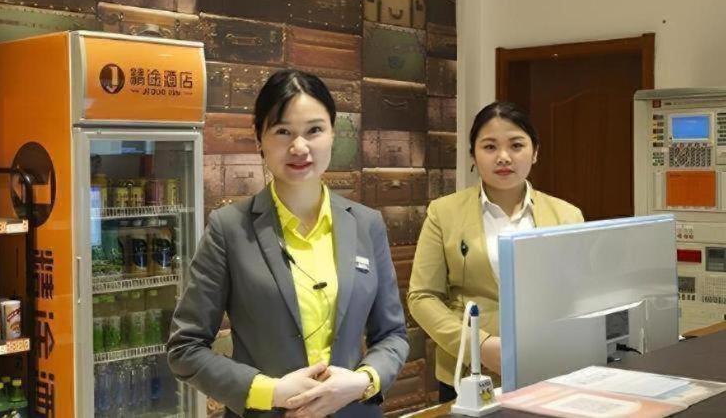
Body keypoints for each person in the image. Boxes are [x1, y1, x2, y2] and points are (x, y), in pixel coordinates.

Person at [167, 69, 409, 417]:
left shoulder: (366, 224)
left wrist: (363, 381)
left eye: (314, 130)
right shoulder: (228, 229)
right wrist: (271, 391)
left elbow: (392, 335)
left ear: (333, 134)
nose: (299, 147)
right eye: (283, 131)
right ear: (259, 139)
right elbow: (185, 348)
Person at [408, 101, 584, 402]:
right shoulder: (443, 213)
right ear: (473, 155)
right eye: (489, 147)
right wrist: (478, 345)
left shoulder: (567, 216)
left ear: (535, 152)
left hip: (549, 367)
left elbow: (579, 295)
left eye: (516, 145)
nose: (503, 157)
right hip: (469, 373)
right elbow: (422, 296)